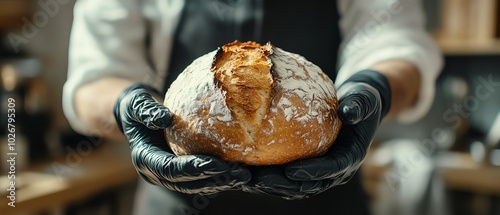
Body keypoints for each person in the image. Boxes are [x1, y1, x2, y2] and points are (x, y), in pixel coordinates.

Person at [63, 0, 443, 214]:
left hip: (328, 198)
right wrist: (127, 107)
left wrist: (374, 88)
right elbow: (95, 75)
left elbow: (397, 41)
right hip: (177, 204)